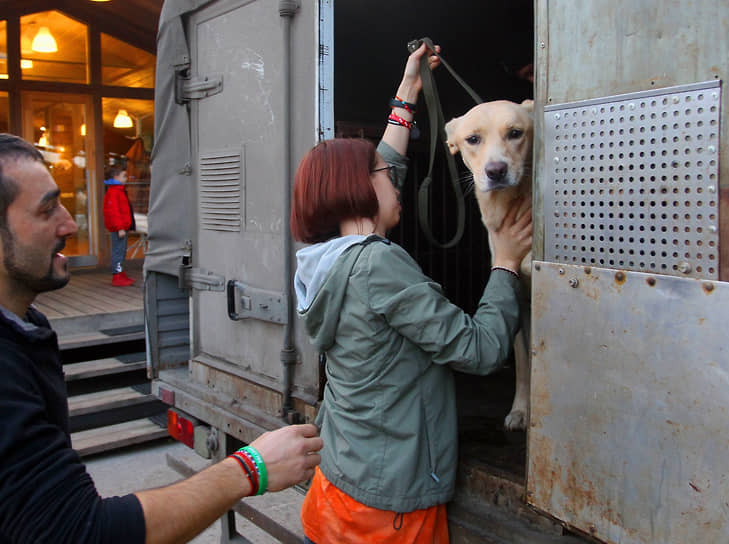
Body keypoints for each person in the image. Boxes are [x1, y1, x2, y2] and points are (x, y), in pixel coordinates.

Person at [0, 133, 323, 543]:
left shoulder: (25, 327)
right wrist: (250, 469)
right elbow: (80, 533)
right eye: (47, 211)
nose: (68, 223)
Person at [291, 42, 533, 544]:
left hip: (341, 482)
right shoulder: (377, 266)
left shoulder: (330, 256)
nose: (396, 180)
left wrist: (409, 91)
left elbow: (384, 161)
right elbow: (481, 350)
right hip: (387, 511)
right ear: (358, 193)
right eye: (382, 179)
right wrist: (506, 264)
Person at [103, 163, 136, 286]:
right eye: (124, 176)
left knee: (121, 251)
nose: (126, 178)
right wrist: (120, 228)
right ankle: (117, 276)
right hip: (119, 228)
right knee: (118, 251)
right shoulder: (114, 192)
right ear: (116, 177)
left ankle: (120, 273)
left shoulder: (118, 191)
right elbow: (114, 212)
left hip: (122, 227)